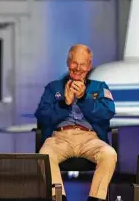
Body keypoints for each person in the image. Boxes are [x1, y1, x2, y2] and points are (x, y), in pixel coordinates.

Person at [34, 44, 117, 201]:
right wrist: (65, 103)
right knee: (45, 155)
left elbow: (107, 113)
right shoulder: (53, 88)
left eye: (83, 64)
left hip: (91, 138)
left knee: (109, 154)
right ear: (68, 62)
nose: (78, 68)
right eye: (74, 63)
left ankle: (96, 199)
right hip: (60, 137)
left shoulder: (99, 87)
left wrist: (85, 97)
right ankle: (59, 198)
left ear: (89, 66)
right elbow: (42, 116)